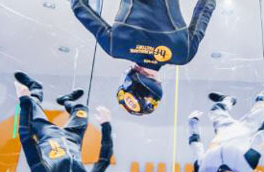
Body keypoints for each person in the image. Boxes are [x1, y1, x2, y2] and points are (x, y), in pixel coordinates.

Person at [71, 0, 217, 115]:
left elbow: (205, 9)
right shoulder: (115, 47)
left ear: (158, 85)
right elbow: (79, 7)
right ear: (129, 79)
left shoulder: (183, 55)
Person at [14, 72, 113, 172]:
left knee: (32, 105)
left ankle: (36, 88)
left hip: (47, 134)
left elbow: (26, 139)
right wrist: (106, 125)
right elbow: (104, 160)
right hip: (73, 138)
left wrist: (23, 100)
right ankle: (66, 100)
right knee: (81, 110)